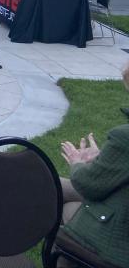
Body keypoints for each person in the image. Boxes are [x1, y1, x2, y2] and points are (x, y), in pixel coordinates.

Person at [54, 63, 129, 268]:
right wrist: (104, 159)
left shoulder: (124, 137)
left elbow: (88, 185)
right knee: (52, 184)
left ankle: (61, 254)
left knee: (65, 206)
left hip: (119, 243)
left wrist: (77, 162)